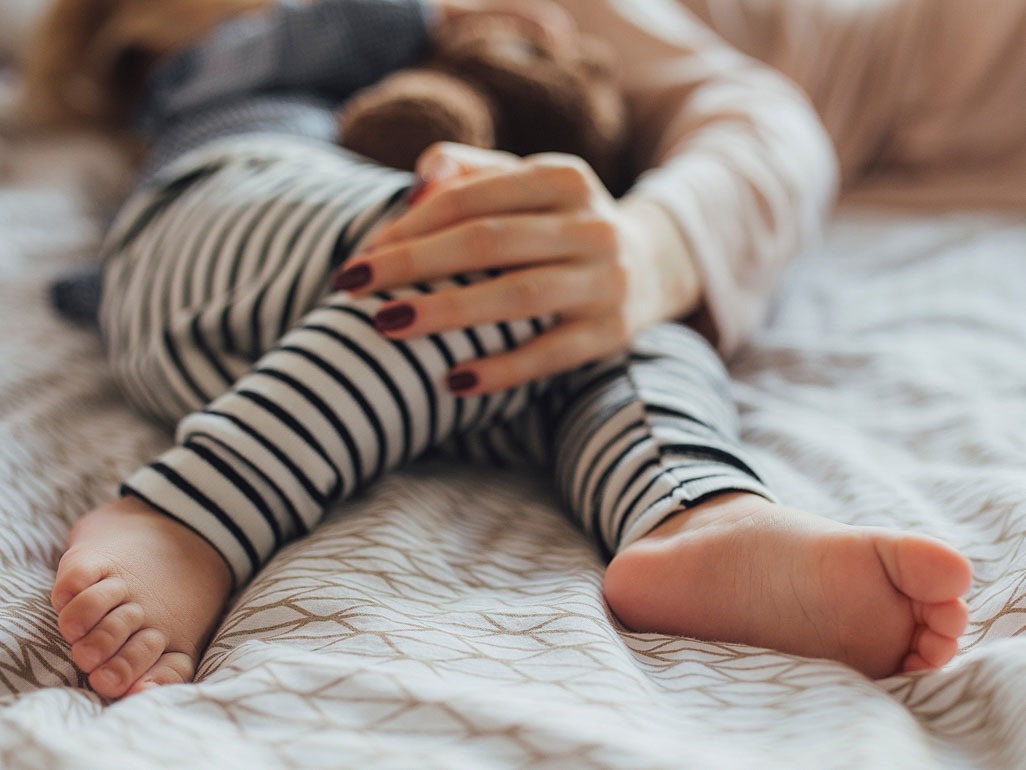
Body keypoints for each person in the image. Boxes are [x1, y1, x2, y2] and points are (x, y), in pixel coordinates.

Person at [24, 0, 975, 700]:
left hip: (417, 389)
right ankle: (195, 512)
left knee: (610, 311)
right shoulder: (232, 67)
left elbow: (722, 150)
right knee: (492, 245)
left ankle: (692, 514)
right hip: (227, 256)